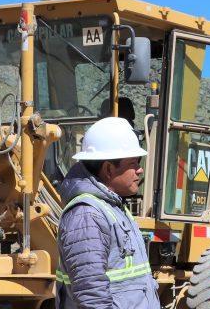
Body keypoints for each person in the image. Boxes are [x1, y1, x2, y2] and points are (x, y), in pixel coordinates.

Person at [55, 117, 160, 309]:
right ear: (109, 169)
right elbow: (92, 296)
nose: (140, 170)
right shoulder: (87, 215)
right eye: (133, 163)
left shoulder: (112, 207)